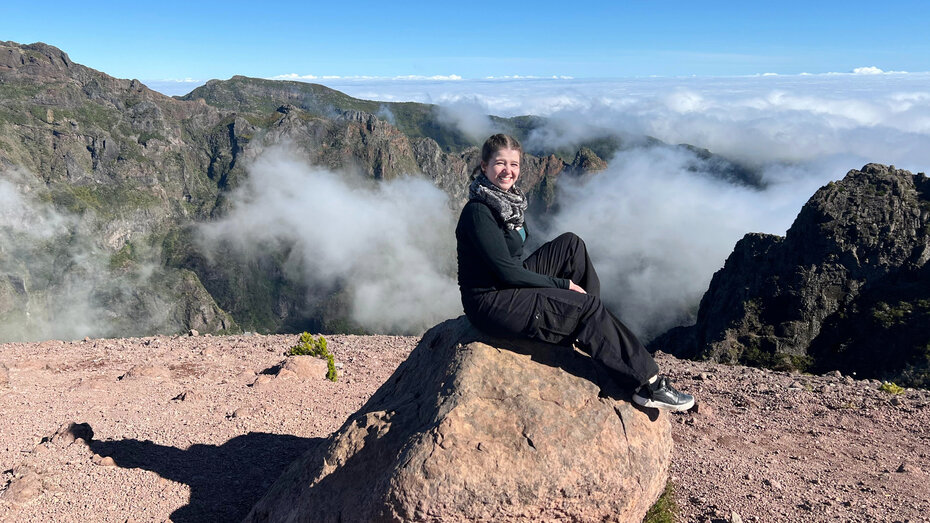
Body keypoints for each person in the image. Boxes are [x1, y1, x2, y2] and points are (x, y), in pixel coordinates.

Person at [455, 133, 694, 411]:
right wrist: (563, 285)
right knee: (586, 306)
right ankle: (648, 385)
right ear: (484, 166)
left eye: (515, 164)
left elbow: (513, 266)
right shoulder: (479, 211)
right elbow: (506, 272)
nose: (508, 171)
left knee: (571, 245)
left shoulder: (508, 202)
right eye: (500, 163)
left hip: (509, 285)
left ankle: (589, 327)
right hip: (491, 301)